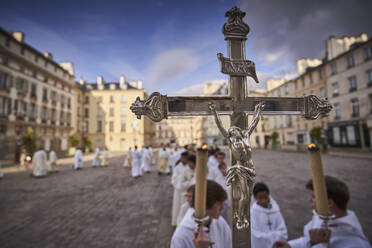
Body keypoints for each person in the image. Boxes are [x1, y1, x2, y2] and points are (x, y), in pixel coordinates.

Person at [273, 176, 371, 248]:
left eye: (313, 196)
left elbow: (313, 242)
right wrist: (291, 245)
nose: (309, 200)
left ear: (329, 203)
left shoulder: (355, 243)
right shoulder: (321, 216)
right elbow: (307, 240)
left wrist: (318, 244)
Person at [171, 180, 232, 248]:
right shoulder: (181, 236)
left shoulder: (221, 223)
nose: (222, 208)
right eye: (219, 204)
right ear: (204, 206)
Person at [250, 182, 287, 248]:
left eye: (265, 197)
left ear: (268, 195)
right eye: (260, 198)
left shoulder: (275, 211)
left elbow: (283, 232)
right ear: (255, 197)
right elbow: (255, 235)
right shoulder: (253, 213)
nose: (263, 201)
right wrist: (274, 236)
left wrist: (269, 237)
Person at [171, 152, 190, 226]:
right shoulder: (177, 167)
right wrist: (181, 181)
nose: (182, 159)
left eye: (183, 158)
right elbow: (174, 180)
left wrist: (186, 183)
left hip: (188, 191)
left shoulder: (190, 167)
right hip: (178, 192)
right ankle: (177, 223)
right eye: (181, 158)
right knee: (178, 207)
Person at [214, 161, 232, 227]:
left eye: (225, 168)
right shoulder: (218, 179)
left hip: (232, 200)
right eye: (222, 169)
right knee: (224, 216)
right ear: (219, 170)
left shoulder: (232, 176)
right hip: (223, 201)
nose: (224, 170)